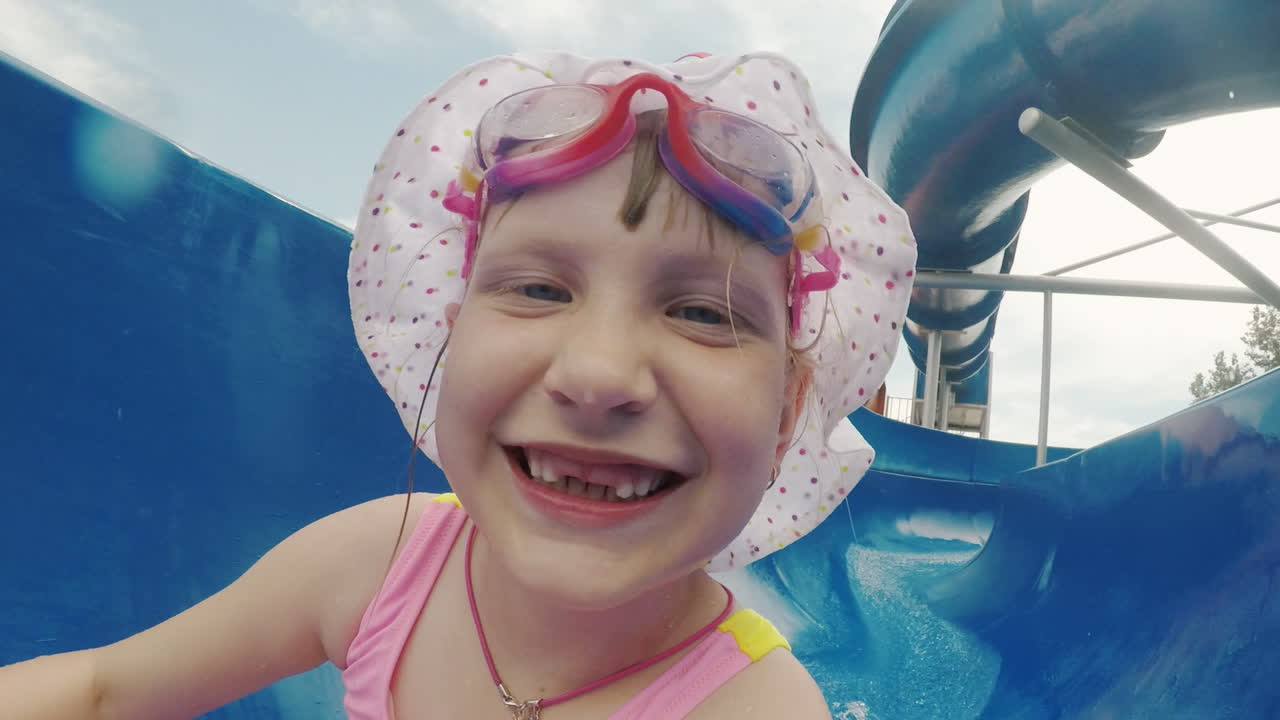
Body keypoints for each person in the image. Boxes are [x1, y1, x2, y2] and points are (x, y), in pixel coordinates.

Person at [1, 50, 915, 719]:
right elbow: (98, 691)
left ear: (791, 409)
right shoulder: (381, 563)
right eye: (538, 289)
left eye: (704, 313)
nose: (598, 375)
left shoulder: (751, 706)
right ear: (448, 328)